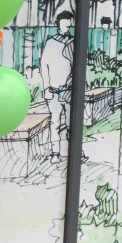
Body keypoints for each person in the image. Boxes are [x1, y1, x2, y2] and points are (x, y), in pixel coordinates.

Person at [39, 11, 74, 162]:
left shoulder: (73, 42)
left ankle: (72, 153)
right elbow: (44, 66)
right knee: (55, 123)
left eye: (69, 23)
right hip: (53, 90)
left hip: (69, 90)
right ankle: (55, 153)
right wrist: (46, 88)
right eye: (65, 23)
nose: (67, 26)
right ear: (58, 23)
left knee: (70, 123)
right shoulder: (51, 43)